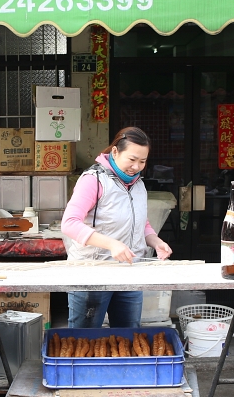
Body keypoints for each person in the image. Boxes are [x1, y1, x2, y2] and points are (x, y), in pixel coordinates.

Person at [60, 127, 172, 328]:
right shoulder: (93, 179)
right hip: (92, 273)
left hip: (129, 272)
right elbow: (69, 223)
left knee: (127, 339)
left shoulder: (138, 184)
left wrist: (156, 242)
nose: (136, 166)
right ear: (114, 152)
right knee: (84, 342)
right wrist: (111, 244)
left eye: (143, 161)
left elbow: (141, 223)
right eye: (132, 159)